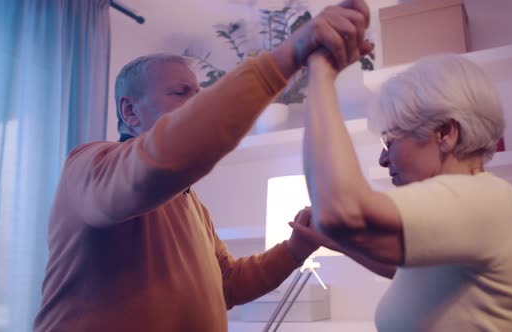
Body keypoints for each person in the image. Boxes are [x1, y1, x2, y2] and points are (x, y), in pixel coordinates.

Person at [33, 1, 374, 331]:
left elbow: (228, 285)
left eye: (199, 92)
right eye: (182, 92)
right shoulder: (89, 166)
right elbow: (161, 159)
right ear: (130, 113)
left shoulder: (192, 203)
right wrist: (283, 60)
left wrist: (296, 248)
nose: (197, 101)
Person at [293, 52, 512, 330]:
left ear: (445, 133)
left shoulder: (485, 199)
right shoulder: (471, 208)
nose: (383, 159)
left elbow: (340, 209)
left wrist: (320, 71)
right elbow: (406, 271)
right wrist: (336, 241)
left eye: (391, 141)